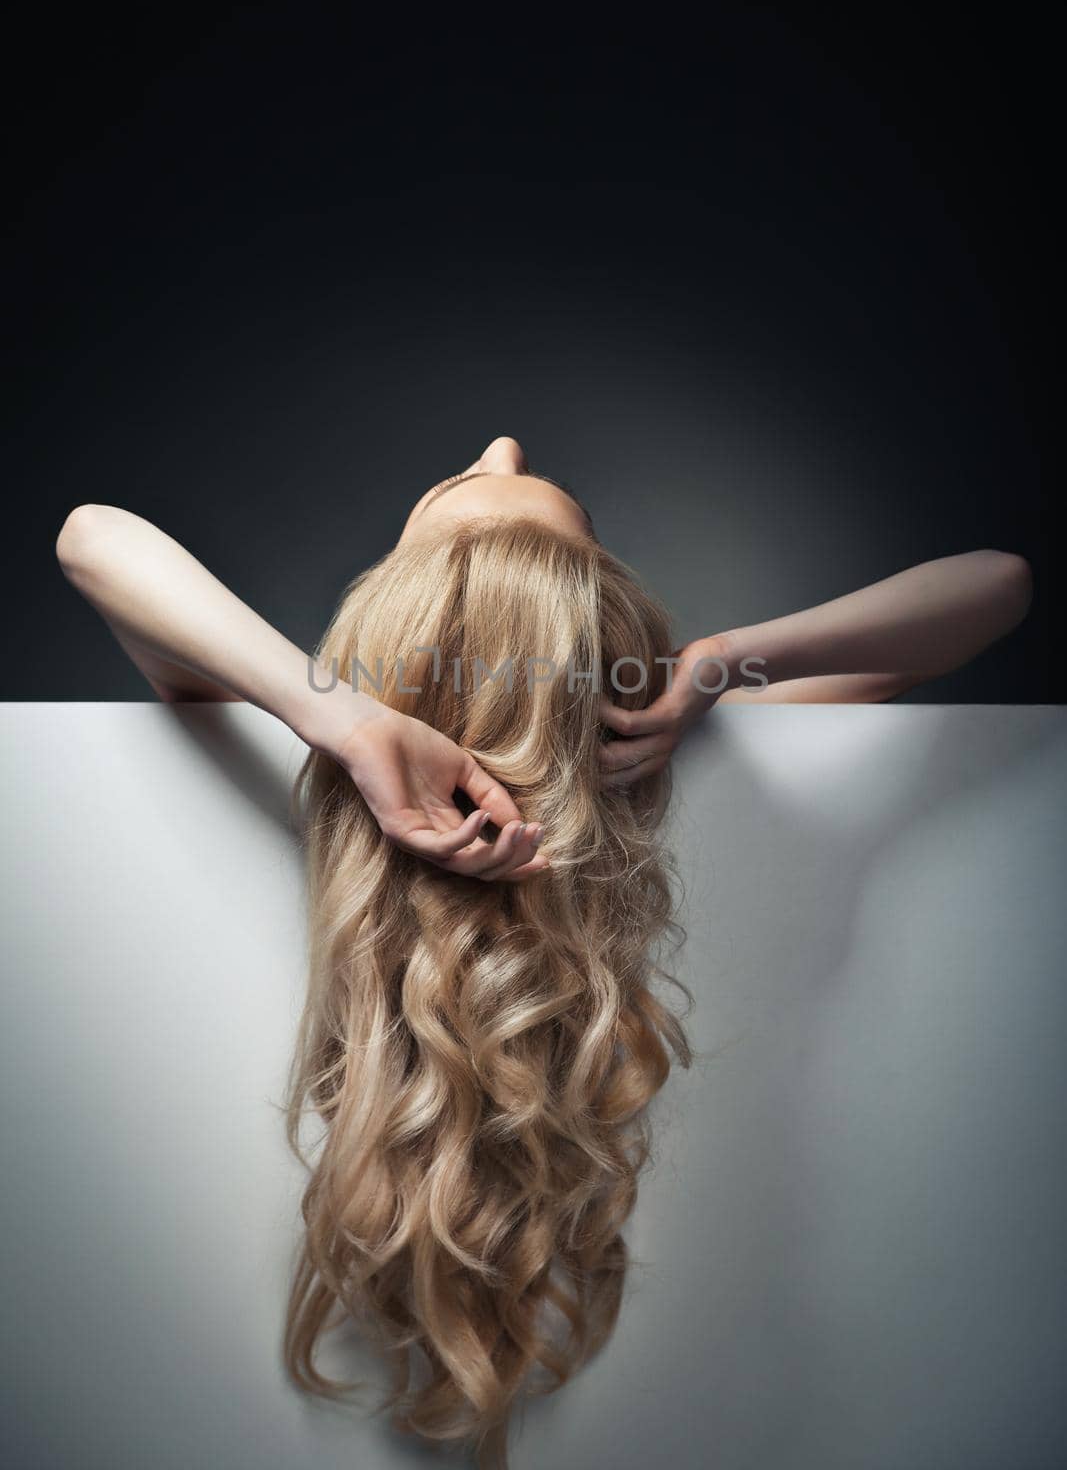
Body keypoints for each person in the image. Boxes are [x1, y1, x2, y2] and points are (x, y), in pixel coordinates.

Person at [54, 435, 1033, 1469]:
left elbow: (996, 588)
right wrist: (340, 717)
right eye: (472, 479)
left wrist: (703, 663)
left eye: (462, 482)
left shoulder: (315, 735)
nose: (502, 440)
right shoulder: (331, 740)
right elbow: (91, 540)